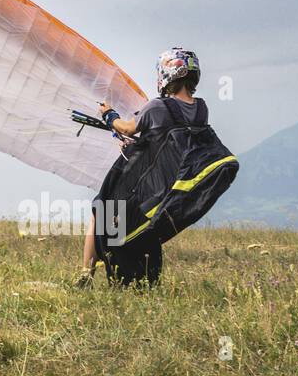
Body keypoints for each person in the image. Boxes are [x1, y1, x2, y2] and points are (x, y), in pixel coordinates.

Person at [77, 47, 204, 286]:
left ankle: (86, 275)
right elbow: (169, 142)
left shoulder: (156, 107)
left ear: (166, 75)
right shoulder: (200, 110)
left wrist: (108, 114)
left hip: (145, 184)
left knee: (100, 209)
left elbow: (126, 128)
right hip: (172, 185)